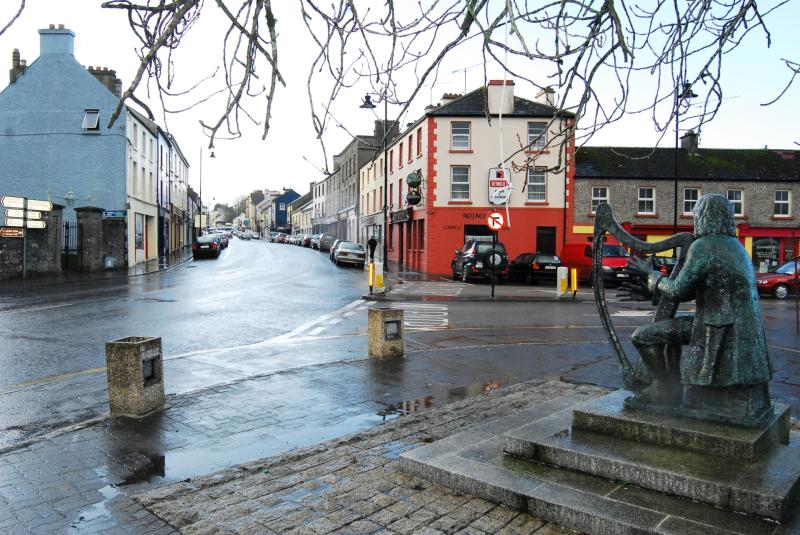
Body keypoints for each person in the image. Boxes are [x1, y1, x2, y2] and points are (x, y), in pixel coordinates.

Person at [621, 194, 772, 411]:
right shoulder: (736, 247)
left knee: (642, 336)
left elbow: (677, 290)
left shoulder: (704, 246)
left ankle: (663, 389)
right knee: (670, 333)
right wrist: (652, 293)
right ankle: (671, 388)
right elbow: (705, 289)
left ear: (702, 216)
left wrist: (650, 274)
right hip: (732, 326)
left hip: (716, 327)